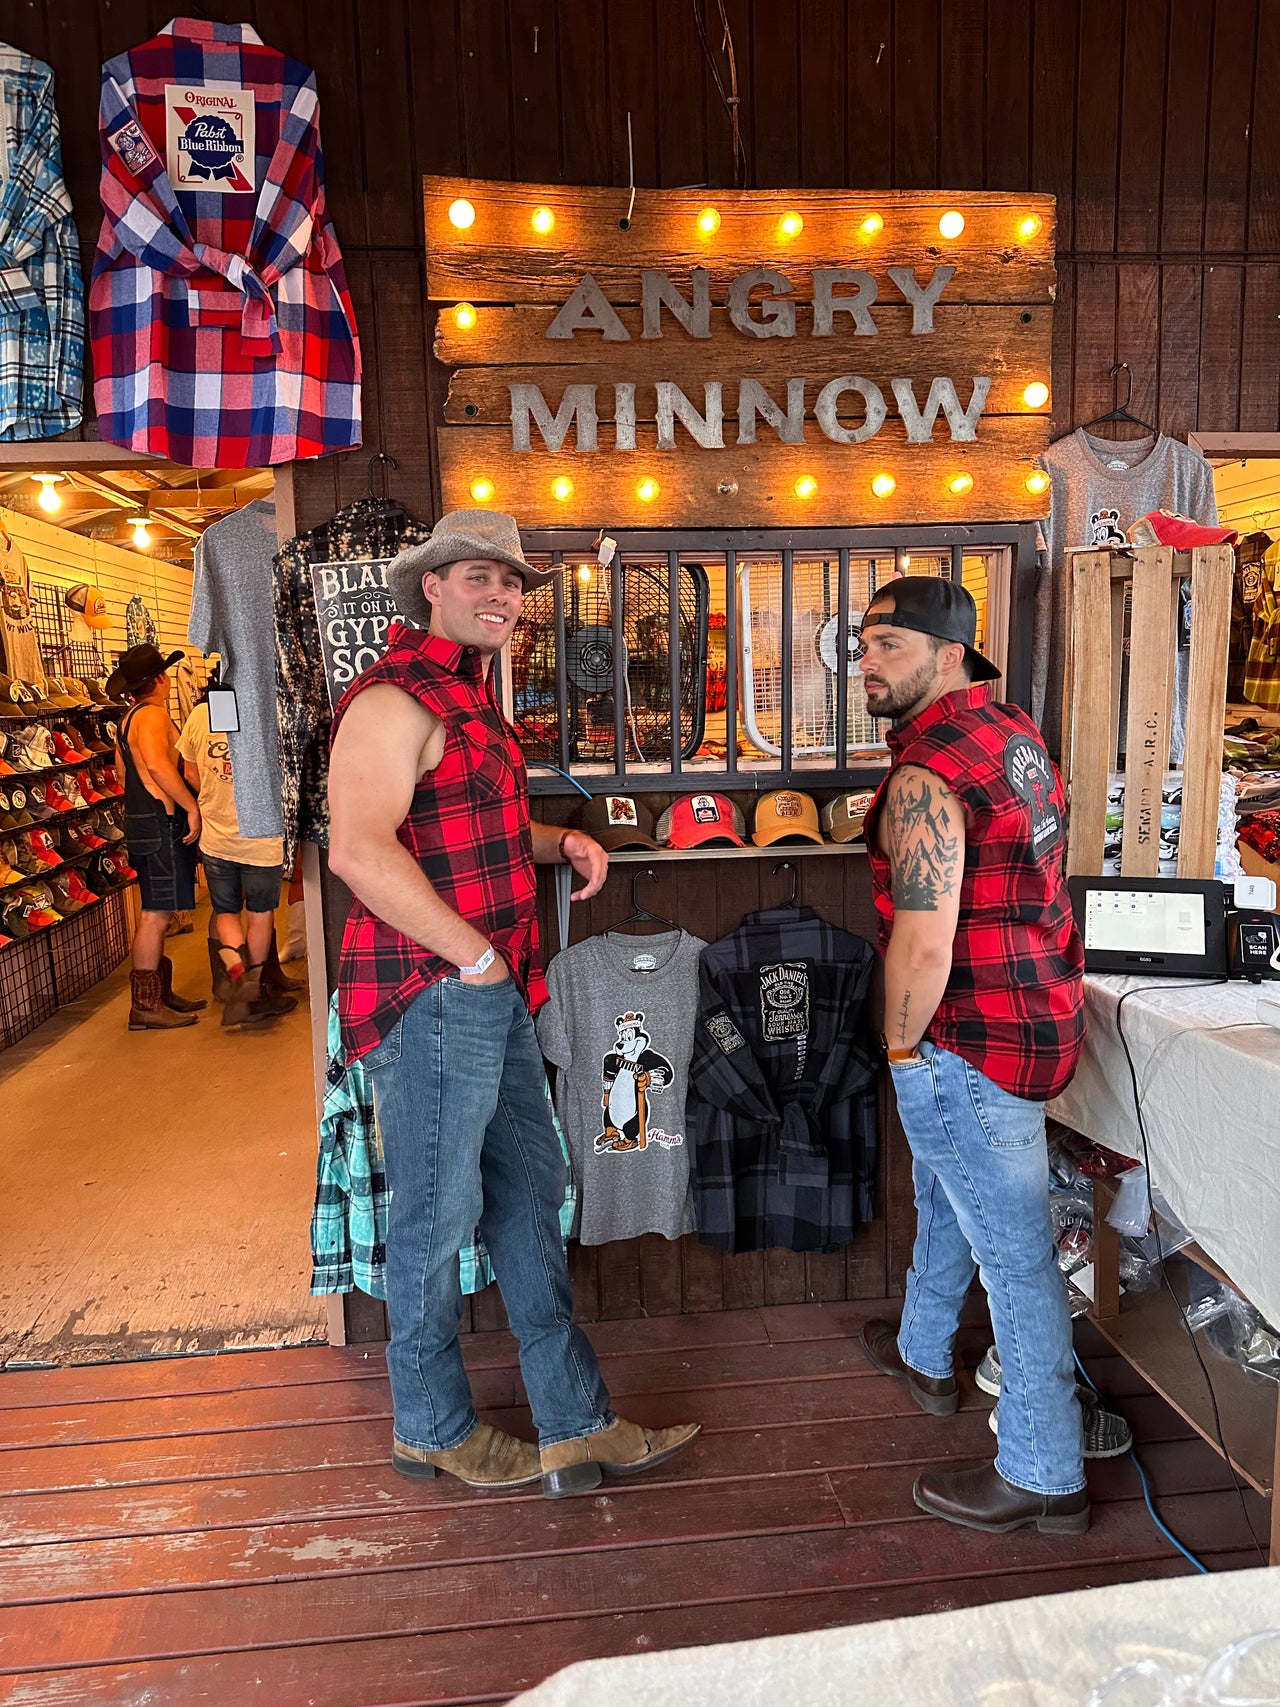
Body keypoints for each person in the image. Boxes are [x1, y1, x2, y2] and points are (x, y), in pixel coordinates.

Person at [327, 509, 700, 1498]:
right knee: (436, 1219)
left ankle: (575, 1426)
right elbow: (358, 851)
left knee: (530, 1197)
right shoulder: (394, 700)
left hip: (482, 994)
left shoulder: (465, 696)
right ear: (431, 586)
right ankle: (431, 1428)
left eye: (510, 581)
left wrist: (556, 844)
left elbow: (464, 824)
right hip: (434, 993)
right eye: (476, 576)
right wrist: (475, 959)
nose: (499, 594)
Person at [853, 578, 1089, 1536]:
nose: (867, 661)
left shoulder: (925, 777)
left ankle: (1045, 1468)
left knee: (1015, 1254)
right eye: (863, 644)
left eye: (890, 645)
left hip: (969, 1033)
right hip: (1037, 1013)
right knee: (962, 1189)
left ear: (951, 655)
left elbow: (923, 942)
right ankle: (922, 1350)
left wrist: (902, 1043)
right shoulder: (1017, 736)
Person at [177, 691, 300, 1028]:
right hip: (263, 835)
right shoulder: (270, 711)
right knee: (260, 915)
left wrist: (218, 795)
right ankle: (257, 991)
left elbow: (189, 772)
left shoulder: (200, 715)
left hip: (217, 835)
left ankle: (238, 975)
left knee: (226, 912)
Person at [108, 644, 207, 1031]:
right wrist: (191, 806)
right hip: (159, 820)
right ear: (161, 680)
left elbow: (122, 774)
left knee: (158, 910)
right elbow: (157, 765)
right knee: (156, 913)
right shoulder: (150, 716)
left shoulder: (127, 718)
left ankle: (159, 995)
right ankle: (146, 1006)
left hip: (142, 820)